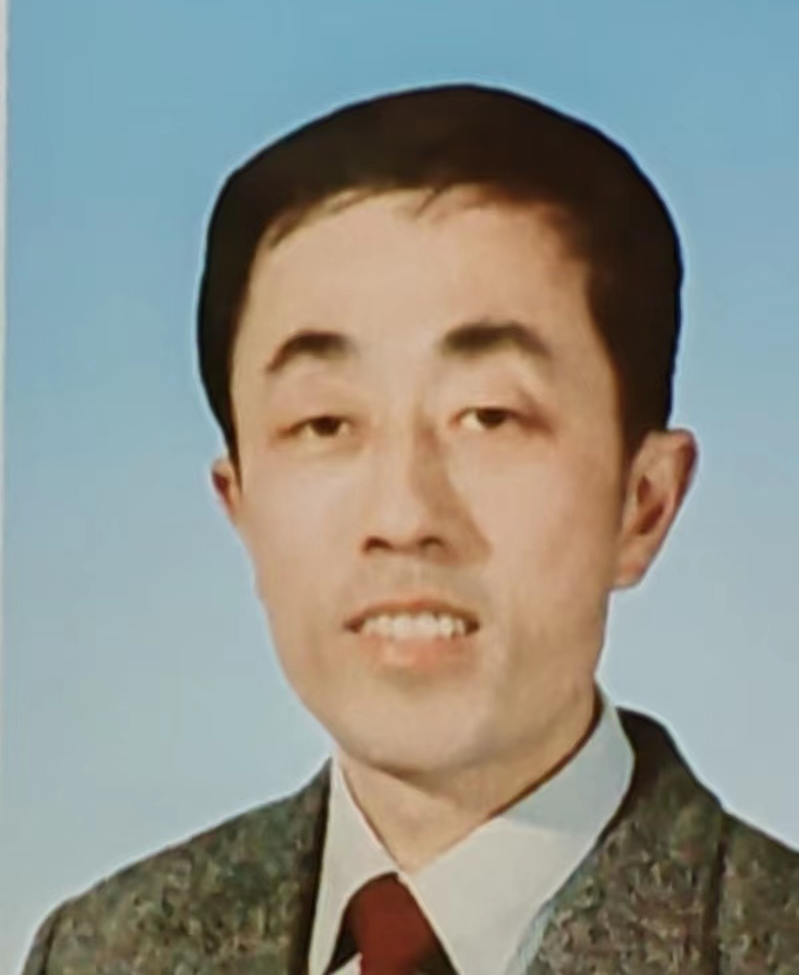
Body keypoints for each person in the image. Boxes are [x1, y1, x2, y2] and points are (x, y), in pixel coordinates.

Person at [22, 84, 798, 975]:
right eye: (324, 422)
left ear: (643, 502)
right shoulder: (99, 951)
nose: (403, 516)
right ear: (240, 503)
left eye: (489, 416)